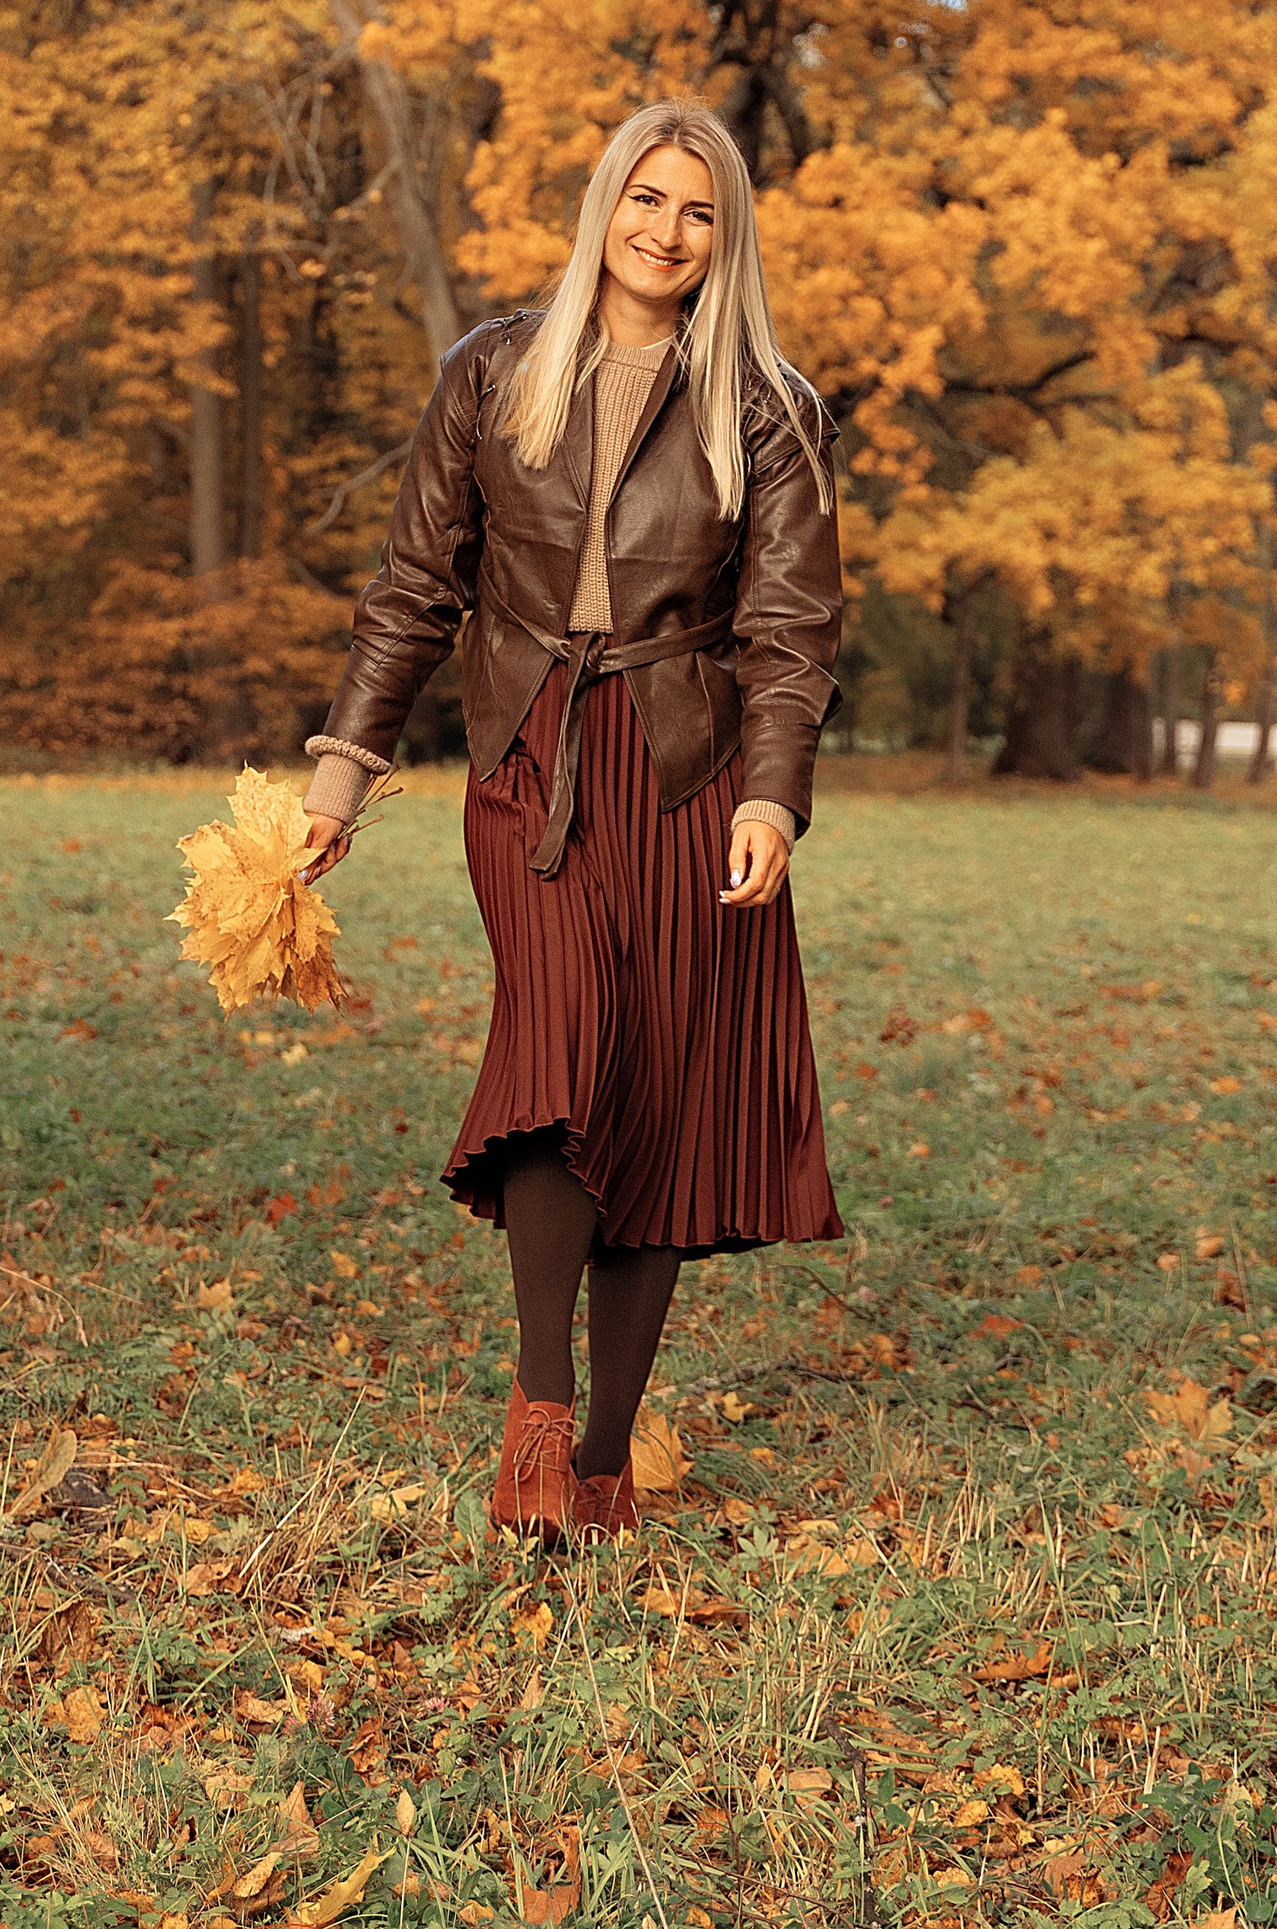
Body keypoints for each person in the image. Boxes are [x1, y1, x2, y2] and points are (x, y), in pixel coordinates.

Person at [297, 101, 845, 1541]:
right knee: (561, 1048)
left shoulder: (767, 407)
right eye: (646, 200)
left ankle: (603, 1464)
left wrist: (773, 796)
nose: (666, 231)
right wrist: (342, 777)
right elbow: (416, 587)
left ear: (727, 237)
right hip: (529, 763)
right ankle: (540, 1417)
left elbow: (791, 628)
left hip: (686, 773)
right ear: (605, 206)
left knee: (656, 1093)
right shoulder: (493, 371)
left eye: (699, 211)